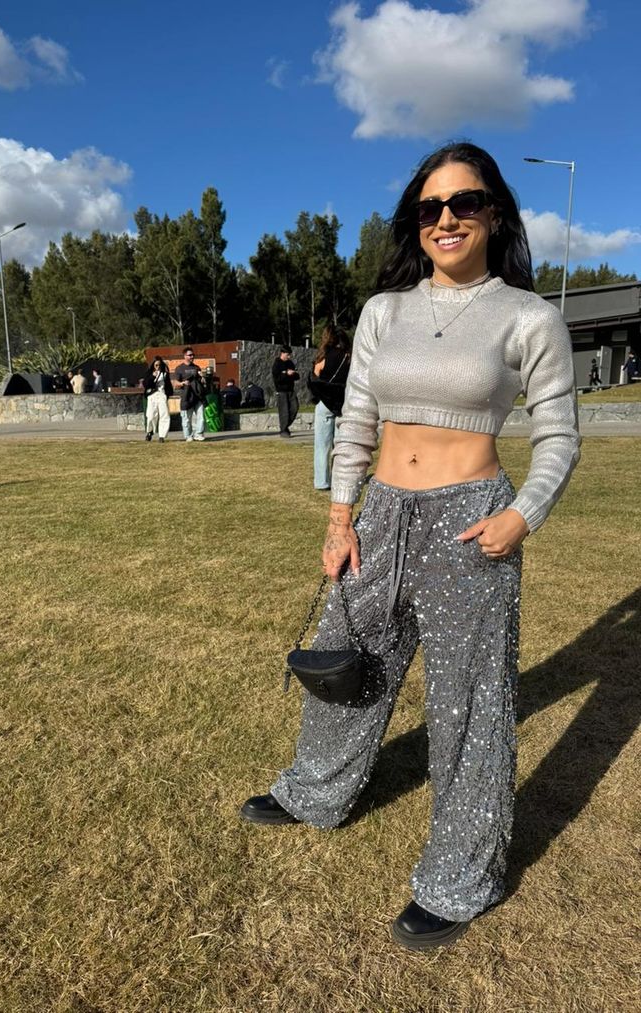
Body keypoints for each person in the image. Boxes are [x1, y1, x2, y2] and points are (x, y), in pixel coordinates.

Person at [239, 142, 581, 951]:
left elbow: (560, 435)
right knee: (345, 659)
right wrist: (340, 516)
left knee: (470, 701)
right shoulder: (384, 311)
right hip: (383, 510)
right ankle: (317, 790)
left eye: (465, 203)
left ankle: (460, 877)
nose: (447, 219)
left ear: (495, 213)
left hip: (471, 519)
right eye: (431, 207)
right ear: (415, 222)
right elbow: (357, 420)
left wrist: (521, 515)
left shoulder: (529, 317)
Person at [310, 325, 352, 490]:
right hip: (343, 404)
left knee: (322, 445)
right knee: (340, 446)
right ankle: (339, 479)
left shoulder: (323, 356)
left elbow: (315, 376)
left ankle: (321, 482)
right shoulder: (349, 357)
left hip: (325, 403)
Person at [174, 347, 206, 442]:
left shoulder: (196, 368)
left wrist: (202, 378)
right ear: (185, 356)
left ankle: (198, 434)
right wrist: (182, 383)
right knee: (186, 418)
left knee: (201, 416)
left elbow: (201, 381)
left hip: (198, 396)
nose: (192, 356)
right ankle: (188, 435)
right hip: (187, 397)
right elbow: (175, 383)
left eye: (193, 355)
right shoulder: (179, 368)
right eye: (190, 355)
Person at [143, 355, 173, 442]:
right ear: (153, 365)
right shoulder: (149, 373)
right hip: (152, 395)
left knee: (164, 415)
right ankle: (150, 431)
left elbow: (168, 385)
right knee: (151, 415)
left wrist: (167, 395)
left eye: (159, 365)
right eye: (156, 365)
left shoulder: (165, 374)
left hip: (162, 395)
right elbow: (146, 384)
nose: (158, 367)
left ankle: (162, 435)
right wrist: (152, 376)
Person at [272, 346, 300, 437]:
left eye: (289, 355)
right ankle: (283, 430)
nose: (289, 357)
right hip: (281, 391)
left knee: (295, 407)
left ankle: (285, 426)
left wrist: (293, 374)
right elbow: (277, 379)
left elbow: (297, 377)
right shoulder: (277, 364)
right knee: (284, 411)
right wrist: (286, 374)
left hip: (291, 390)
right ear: (282, 353)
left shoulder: (290, 363)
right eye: (287, 355)